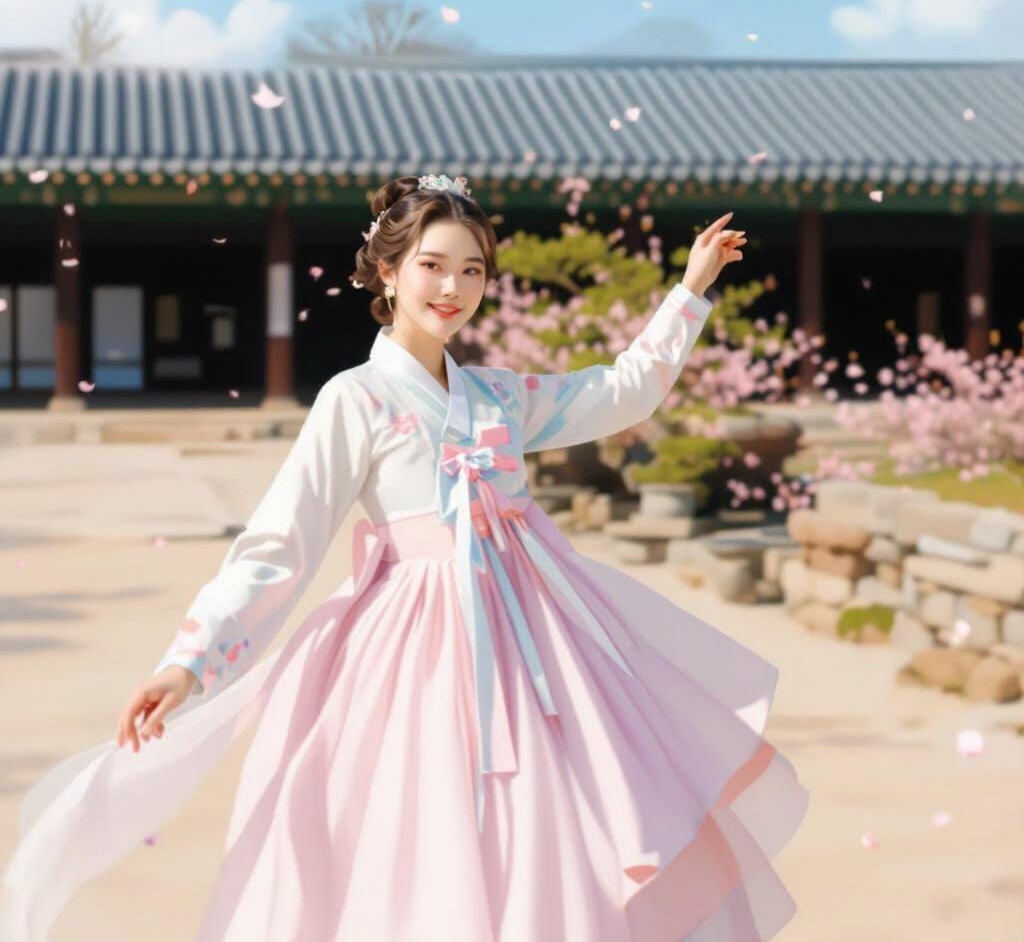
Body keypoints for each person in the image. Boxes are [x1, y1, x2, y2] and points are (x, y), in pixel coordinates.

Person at [1, 174, 809, 941]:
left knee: (552, 826)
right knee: (424, 836)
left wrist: (688, 292)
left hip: (534, 647)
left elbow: (624, 390)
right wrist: (190, 664)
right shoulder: (357, 398)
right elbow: (280, 544)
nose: (451, 288)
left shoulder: (500, 396)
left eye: (471, 270)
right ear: (387, 271)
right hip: (415, 654)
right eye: (431, 267)